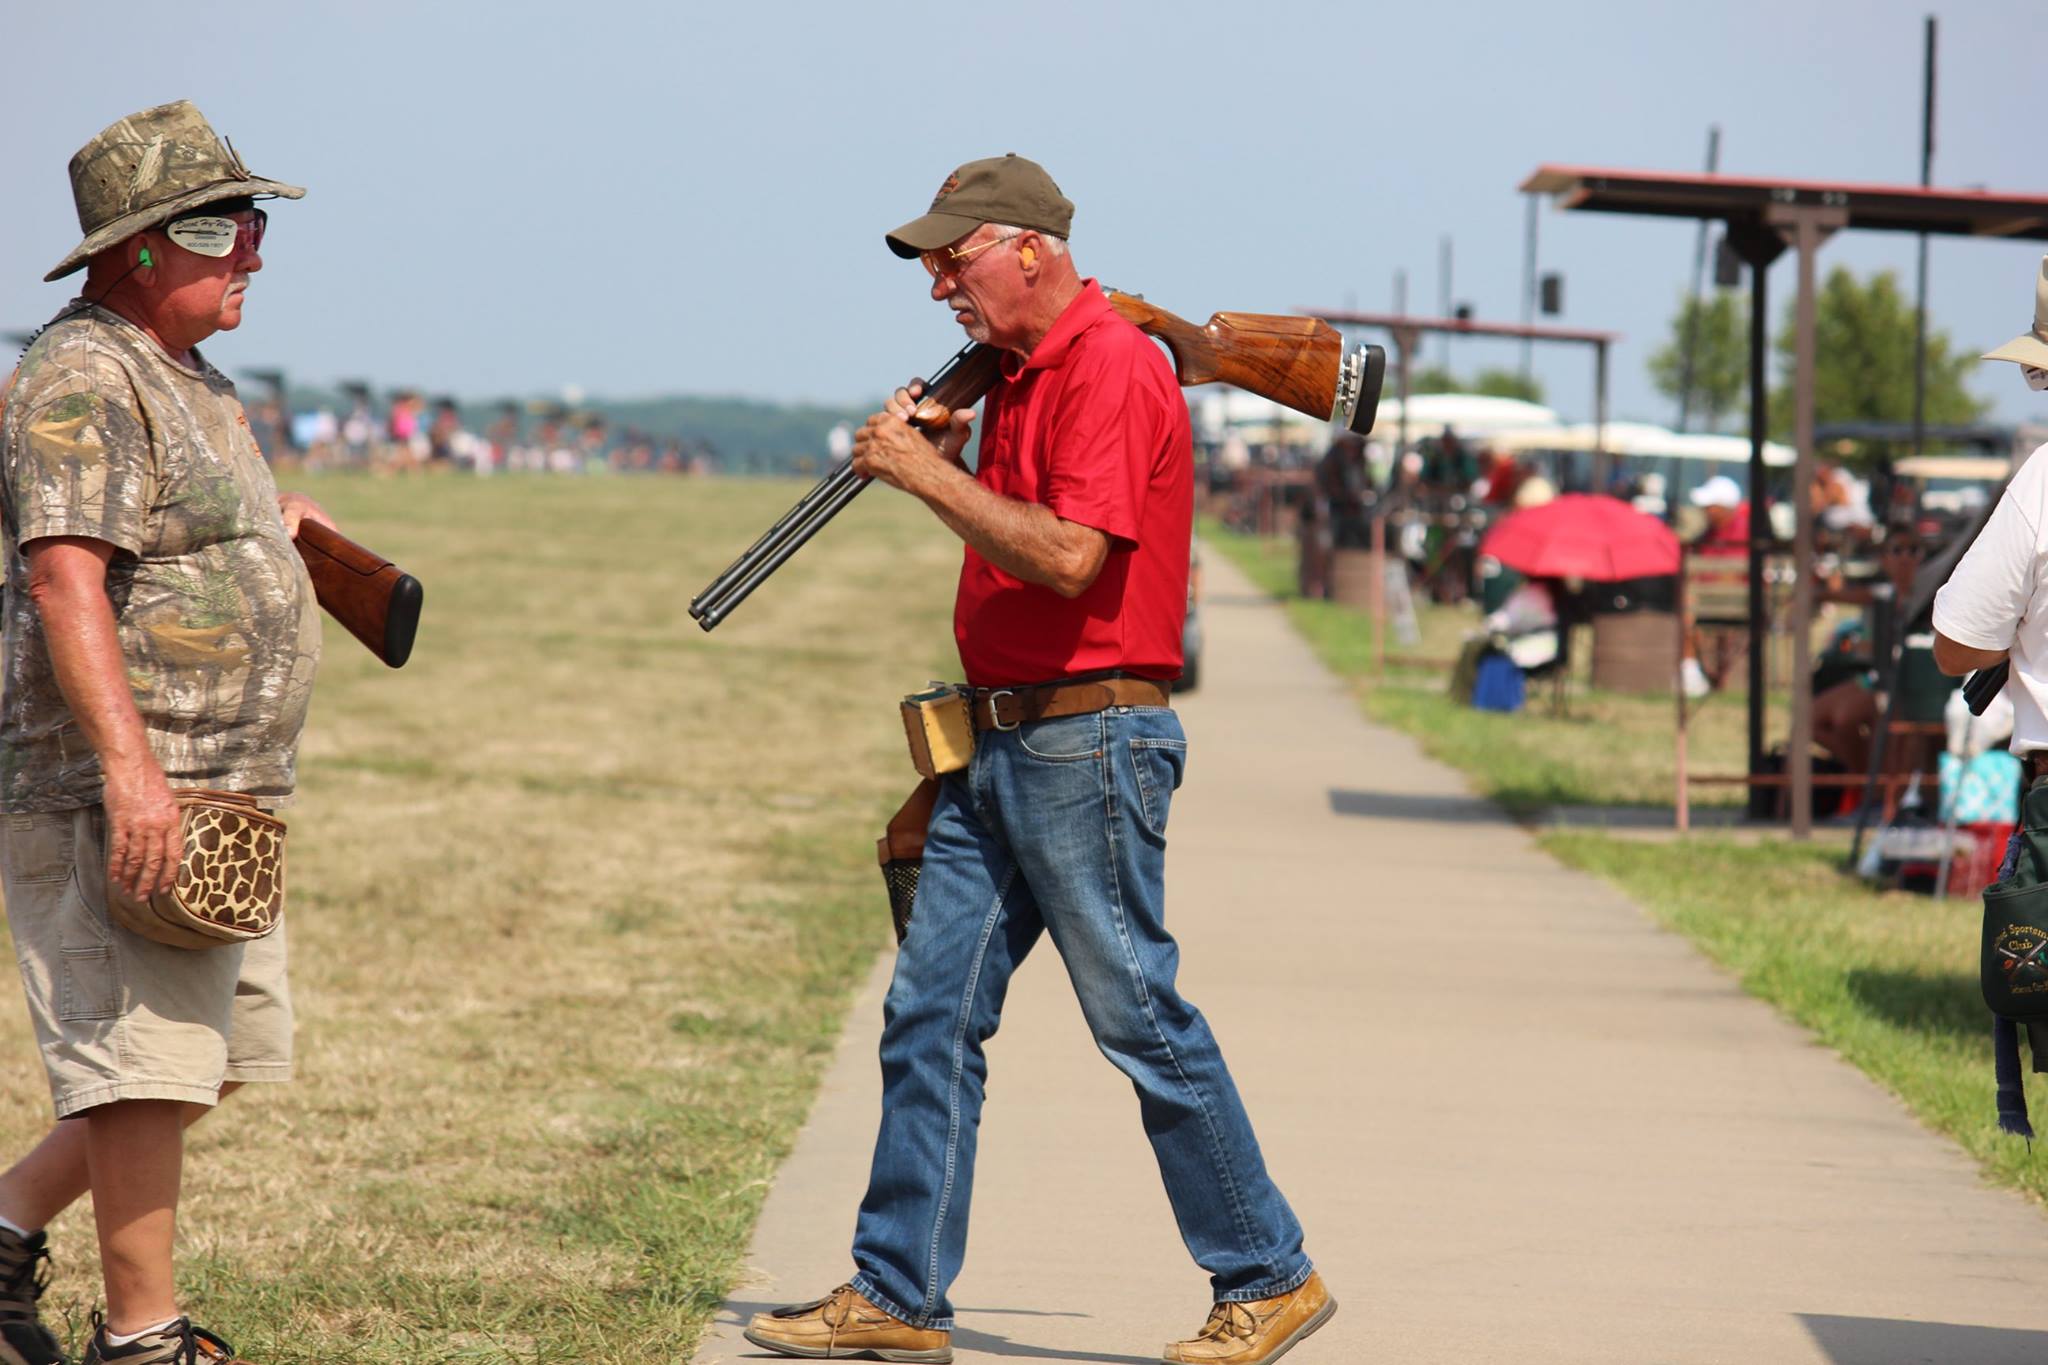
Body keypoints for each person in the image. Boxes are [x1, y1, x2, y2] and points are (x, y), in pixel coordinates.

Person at [743, 155, 1332, 1365]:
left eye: (952, 260)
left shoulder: (1111, 361)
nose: (938, 287)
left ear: (1027, 248)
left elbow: (1069, 558)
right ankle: (897, 1296)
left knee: (1136, 1016)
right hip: (1003, 737)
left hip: (1086, 737)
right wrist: (961, 444)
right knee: (927, 1014)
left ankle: (1267, 1275)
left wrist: (922, 472)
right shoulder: (1022, 374)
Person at [0, 100, 331, 1365]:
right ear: (137, 248)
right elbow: (65, 580)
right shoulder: (82, 373)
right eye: (220, 226)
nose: (252, 249)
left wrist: (265, 536)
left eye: (254, 221)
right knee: (141, 1068)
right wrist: (132, 775)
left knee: (216, 1055)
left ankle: (7, 1227)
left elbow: (158, 535)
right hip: (125, 787)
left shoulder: (182, 372)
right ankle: (144, 1340)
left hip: (223, 786)